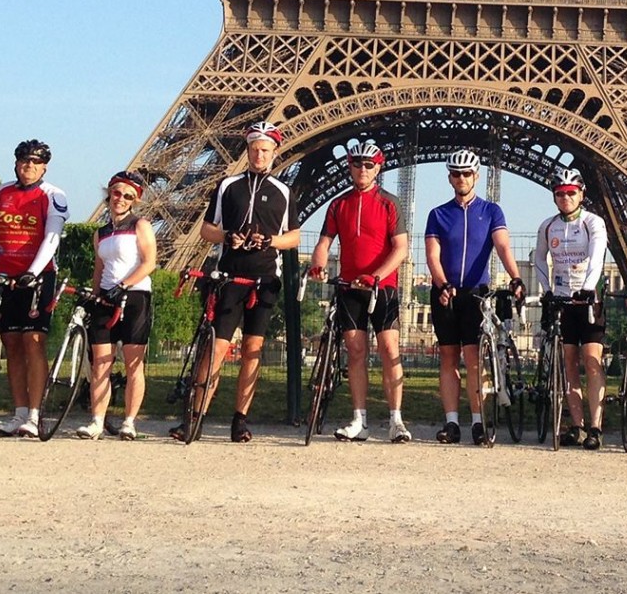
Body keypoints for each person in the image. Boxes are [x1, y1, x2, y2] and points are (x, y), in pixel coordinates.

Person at [173, 121, 302, 443]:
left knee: (252, 350)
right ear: (247, 152)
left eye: (265, 150)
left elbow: (294, 237)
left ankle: (240, 419)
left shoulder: (284, 192)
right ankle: (195, 416)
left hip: (263, 280)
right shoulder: (228, 185)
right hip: (230, 277)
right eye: (255, 149)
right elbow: (206, 230)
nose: (260, 155)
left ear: (274, 153)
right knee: (214, 349)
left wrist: (269, 241)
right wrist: (228, 236)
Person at [308, 141, 413, 443]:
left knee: (390, 350)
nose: (363, 169)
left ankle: (396, 420)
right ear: (349, 166)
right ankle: (360, 419)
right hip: (350, 286)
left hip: (383, 287)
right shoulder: (339, 204)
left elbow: (401, 248)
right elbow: (324, 242)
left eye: (369, 164)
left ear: (379, 167)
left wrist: (376, 276)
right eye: (357, 164)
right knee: (355, 352)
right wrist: (317, 263)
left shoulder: (389, 203)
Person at [425, 149, 525, 445]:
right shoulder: (438, 214)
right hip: (446, 292)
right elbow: (433, 255)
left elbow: (503, 246)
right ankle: (452, 422)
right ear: (449, 178)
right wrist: (442, 284)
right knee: (447, 357)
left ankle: (479, 422)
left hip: (476, 294)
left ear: (476, 176)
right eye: (456, 174)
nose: (461, 178)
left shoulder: (491, 211)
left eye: (466, 174)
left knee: (473, 359)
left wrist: (515, 276)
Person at [0, 140, 68, 438]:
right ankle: (19, 412)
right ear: (16, 163)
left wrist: (33, 272)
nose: (29, 166)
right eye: (24, 161)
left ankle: (34, 414)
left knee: (33, 341)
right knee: (11, 343)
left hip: (38, 278)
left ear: (44, 167)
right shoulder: (1, 192)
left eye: (35, 162)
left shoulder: (53, 195)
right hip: (8, 277)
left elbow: (52, 237)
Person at [532, 168, 610, 450]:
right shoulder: (548, 226)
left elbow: (597, 256)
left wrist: (588, 287)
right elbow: (539, 259)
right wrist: (547, 291)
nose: (565, 197)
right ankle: (577, 425)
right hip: (563, 301)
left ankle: (596, 426)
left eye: (571, 193)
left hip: (589, 301)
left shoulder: (593, 223)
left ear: (581, 195)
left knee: (592, 360)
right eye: (560, 193)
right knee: (568, 365)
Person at [75, 171, 156, 440]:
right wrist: (96, 295)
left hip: (135, 297)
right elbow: (100, 269)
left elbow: (149, 263)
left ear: (135, 201)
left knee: (134, 363)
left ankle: (129, 422)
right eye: (117, 193)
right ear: (109, 194)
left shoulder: (140, 225)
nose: (120, 199)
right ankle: (97, 420)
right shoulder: (101, 233)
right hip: (107, 299)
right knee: (100, 363)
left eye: (128, 196)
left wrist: (124, 285)